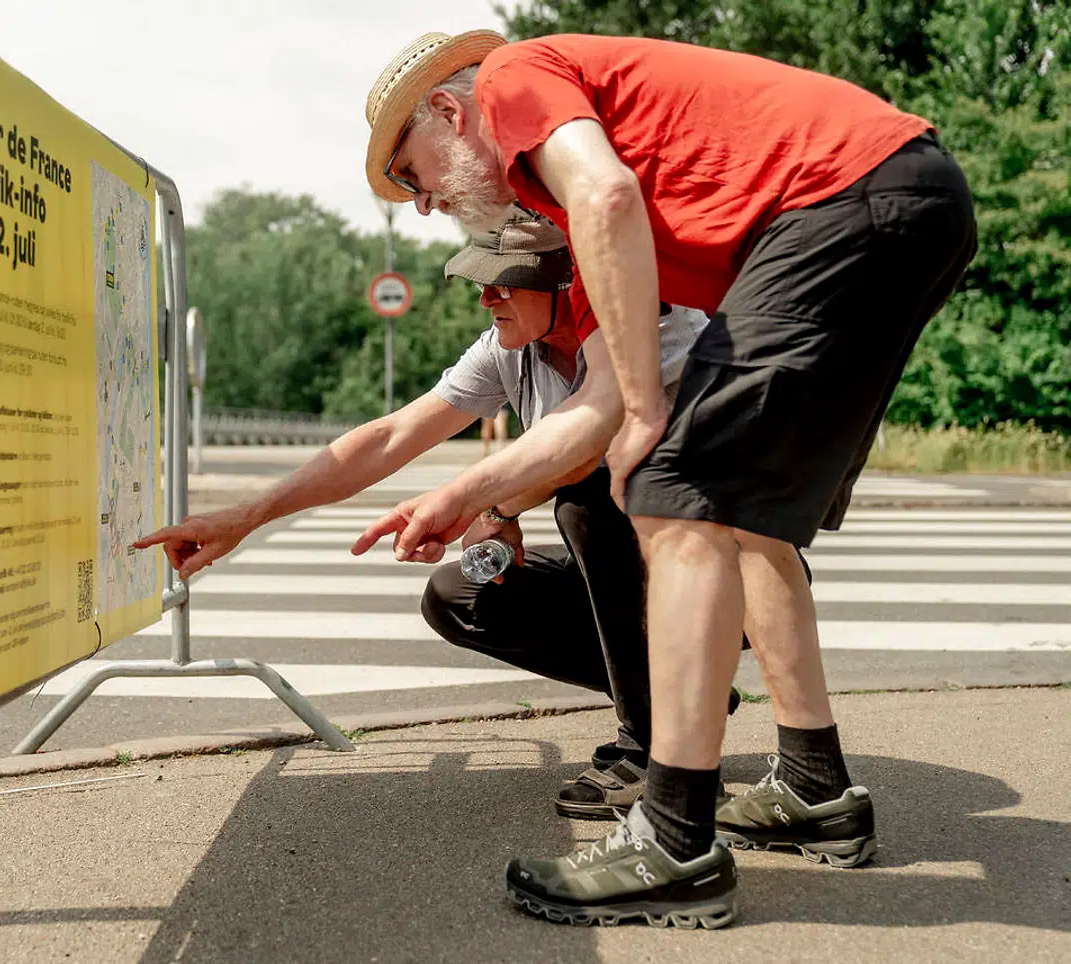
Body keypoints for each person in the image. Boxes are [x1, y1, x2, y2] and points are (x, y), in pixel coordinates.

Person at [356, 30, 977, 928]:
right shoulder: (563, 192)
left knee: (672, 490)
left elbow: (608, 200)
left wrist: (648, 414)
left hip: (843, 200)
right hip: (890, 197)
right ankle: (813, 788)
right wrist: (464, 493)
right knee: (749, 519)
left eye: (413, 175)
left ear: (450, 112)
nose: (423, 205)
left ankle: (673, 841)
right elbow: (607, 357)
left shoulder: (515, 82)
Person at [134, 213, 713, 816]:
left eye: (505, 283)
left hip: (723, 569)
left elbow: (586, 449)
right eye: (482, 282)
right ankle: (680, 696)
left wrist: (481, 500)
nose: (486, 296)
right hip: (651, 579)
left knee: (588, 505)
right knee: (464, 594)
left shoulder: (657, 324)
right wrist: (246, 517)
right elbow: (391, 435)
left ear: (569, 283)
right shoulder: (509, 349)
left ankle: (654, 750)